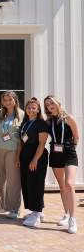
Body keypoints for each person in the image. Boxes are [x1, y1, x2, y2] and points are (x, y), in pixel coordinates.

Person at [44, 95, 79, 233]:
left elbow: (76, 137)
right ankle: (66, 214)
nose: (50, 106)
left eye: (52, 103)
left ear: (58, 103)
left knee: (70, 184)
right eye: (47, 105)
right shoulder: (48, 121)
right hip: (55, 154)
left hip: (69, 153)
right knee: (62, 185)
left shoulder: (69, 118)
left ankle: (72, 218)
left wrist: (70, 150)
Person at [17, 98, 49, 228]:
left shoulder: (41, 123)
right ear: (26, 109)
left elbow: (42, 143)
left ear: (38, 110)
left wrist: (35, 159)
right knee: (27, 183)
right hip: (25, 154)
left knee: (35, 184)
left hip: (37, 155)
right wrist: (18, 158)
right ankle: (36, 211)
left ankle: (36, 215)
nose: (31, 110)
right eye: (29, 108)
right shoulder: (25, 123)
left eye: (34, 108)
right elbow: (20, 142)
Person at [0, 91, 25, 219]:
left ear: (15, 100)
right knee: (2, 179)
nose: (7, 102)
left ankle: (15, 208)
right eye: (5, 100)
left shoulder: (22, 114)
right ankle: (4, 205)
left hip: (13, 149)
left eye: (10, 100)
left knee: (13, 180)